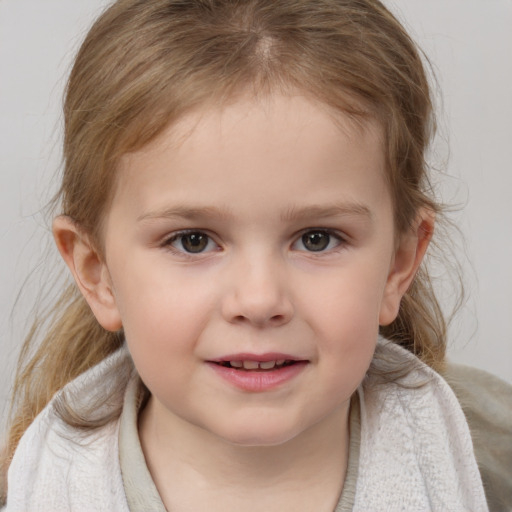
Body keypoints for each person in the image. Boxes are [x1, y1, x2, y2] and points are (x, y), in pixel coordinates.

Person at [1, 0, 510, 510]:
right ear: (97, 274)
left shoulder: (489, 457)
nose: (260, 299)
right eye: (193, 240)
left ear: (399, 264)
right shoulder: (37, 490)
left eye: (317, 238)